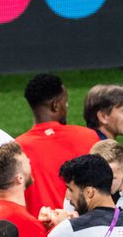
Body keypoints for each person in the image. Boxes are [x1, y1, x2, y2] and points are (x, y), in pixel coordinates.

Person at [16, 73, 101, 215]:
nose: (66, 107)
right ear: (56, 105)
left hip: (38, 235)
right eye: (65, 103)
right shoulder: (88, 137)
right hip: (82, 231)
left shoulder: (16, 148)